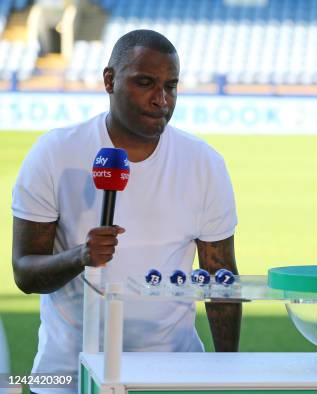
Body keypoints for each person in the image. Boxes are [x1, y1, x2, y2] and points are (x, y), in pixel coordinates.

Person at [11, 30, 241, 392]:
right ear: (109, 80)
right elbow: (24, 272)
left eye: (172, 86)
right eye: (146, 83)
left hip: (171, 374)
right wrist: (80, 256)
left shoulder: (204, 163)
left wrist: (229, 373)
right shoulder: (54, 153)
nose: (161, 99)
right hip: (69, 375)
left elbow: (220, 277)